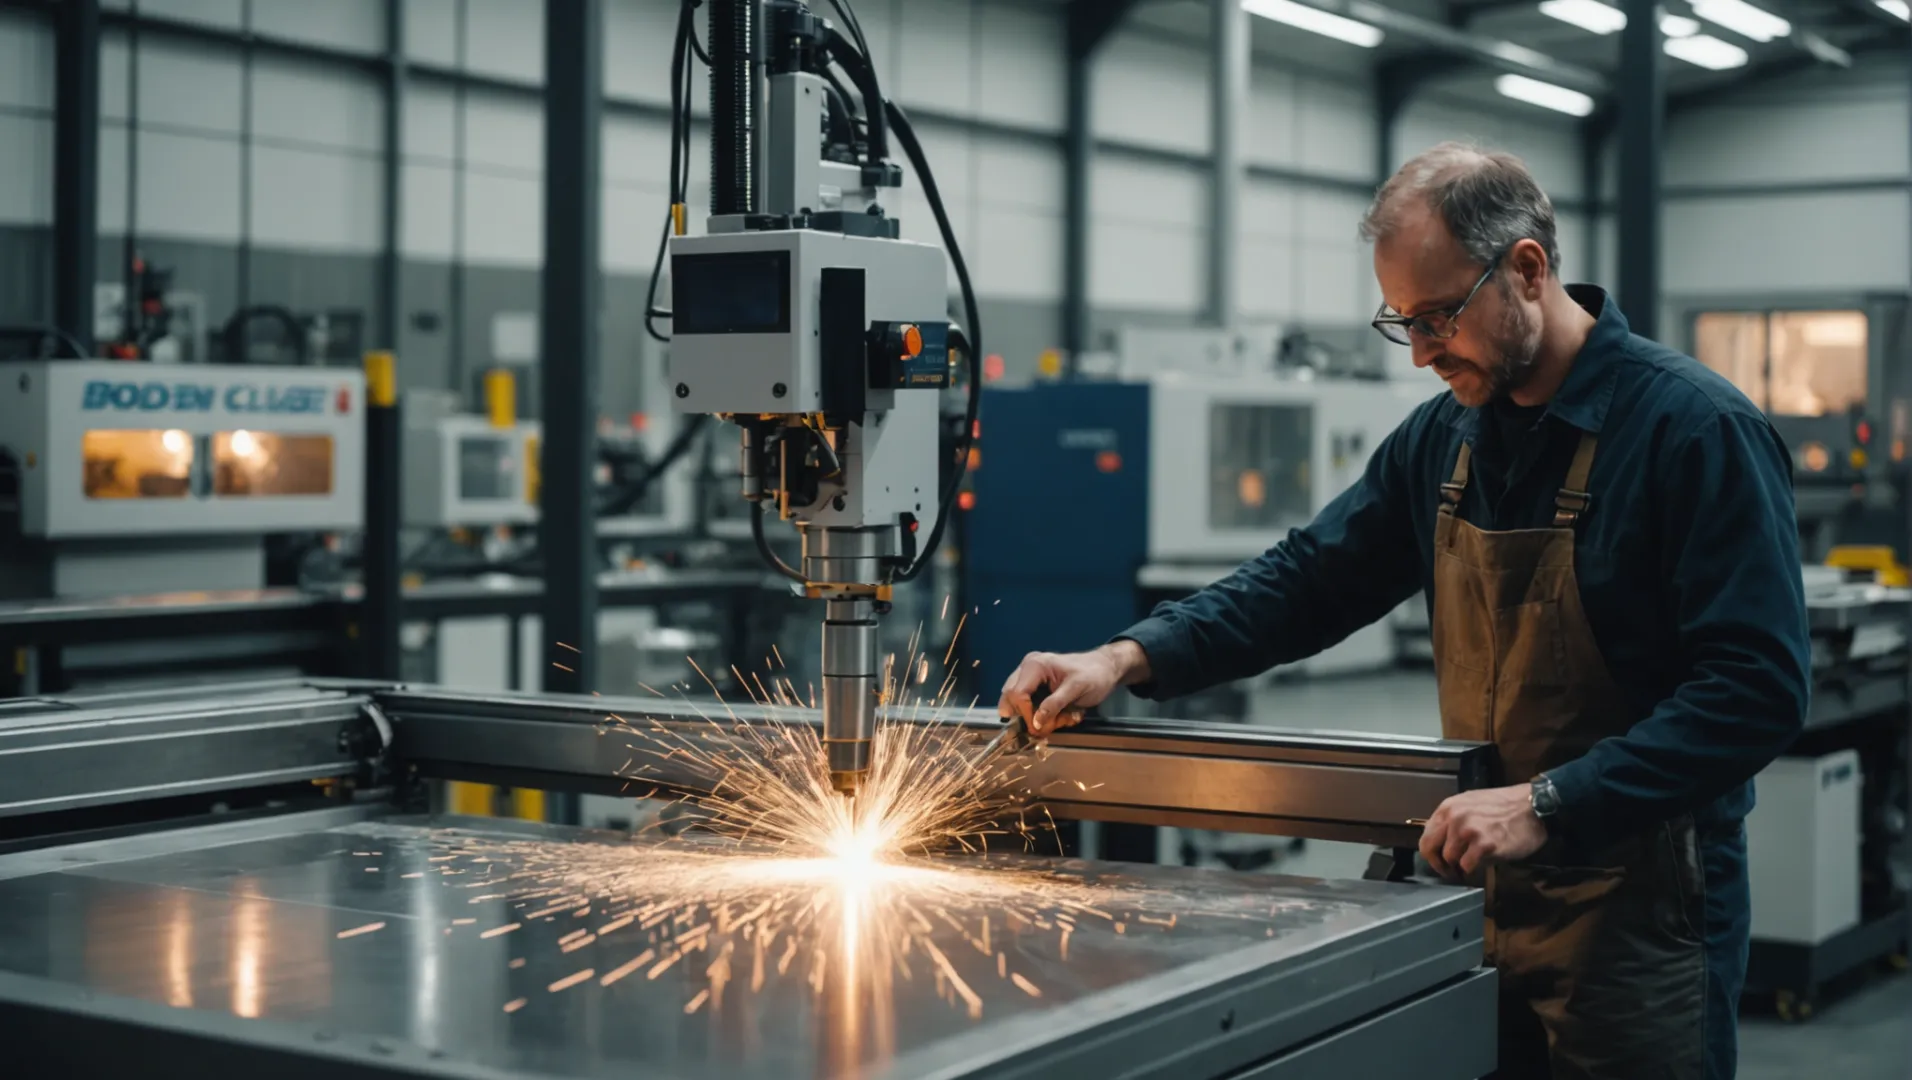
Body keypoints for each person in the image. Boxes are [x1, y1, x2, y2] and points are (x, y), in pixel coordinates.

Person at [997, 142, 1808, 1080]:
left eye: (1439, 319)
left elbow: (1755, 691)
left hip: (1639, 920)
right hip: (1475, 888)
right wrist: (1128, 656)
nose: (1421, 353)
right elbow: (1310, 579)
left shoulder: (1695, 433)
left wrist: (1553, 800)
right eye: (1402, 324)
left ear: (1528, 270)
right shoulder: (1447, 436)